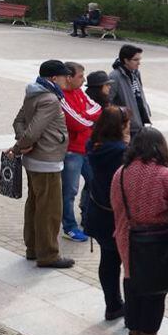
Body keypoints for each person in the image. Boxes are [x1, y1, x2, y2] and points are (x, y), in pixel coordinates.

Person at [111, 127, 168, 335]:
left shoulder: (120, 173)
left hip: (127, 239)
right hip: (156, 244)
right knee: (154, 294)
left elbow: (116, 206)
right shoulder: (165, 176)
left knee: (132, 288)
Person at [9, 60, 75, 269]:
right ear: (54, 78)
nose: (68, 79)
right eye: (65, 76)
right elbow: (34, 130)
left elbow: (18, 122)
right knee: (50, 210)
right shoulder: (50, 99)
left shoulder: (33, 93)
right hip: (47, 161)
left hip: (35, 160)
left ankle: (33, 248)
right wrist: (20, 146)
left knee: (35, 205)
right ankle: (48, 255)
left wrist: (23, 143)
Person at [84, 106, 132, 320]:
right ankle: (130, 311)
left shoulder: (94, 145)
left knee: (109, 260)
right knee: (128, 265)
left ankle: (112, 304)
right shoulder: (121, 152)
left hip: (98, 211)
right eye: (126, 123)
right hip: (117, 216)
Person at [60, 61, 101, 242]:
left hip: (86, 148)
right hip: (72, 152)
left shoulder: (79, 91)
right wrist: (88, 119)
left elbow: (97, 107)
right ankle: (69, 226)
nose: (83, 80)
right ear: (69, 77)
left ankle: (88, 218)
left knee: (95, 182)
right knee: (69, 191)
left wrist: (86, 116)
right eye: (80, 76)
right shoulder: (61, 96)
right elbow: (76, 123)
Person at [110, 44, 151, 136]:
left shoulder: (136, 73)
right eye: (135, 60)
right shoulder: (114, 76)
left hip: (141, 122)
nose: (139, 63)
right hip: (128, 127)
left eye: (139, 59)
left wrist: (146, 110)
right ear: (126, 60)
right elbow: (108, 101)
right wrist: (122, 118)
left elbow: (139, 93)